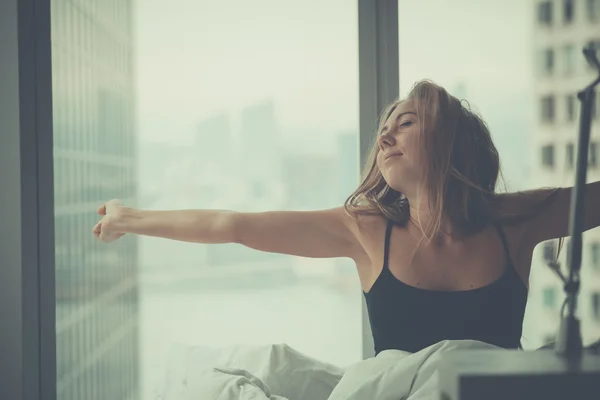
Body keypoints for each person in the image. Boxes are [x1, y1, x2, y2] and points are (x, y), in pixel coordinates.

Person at [93, 80, 600, 355]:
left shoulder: (513, 221)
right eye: (384, 128)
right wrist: (127, 218)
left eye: (405, 123)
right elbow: (233, 225)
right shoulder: (366, 230)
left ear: (450, 140)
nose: (384, 138)